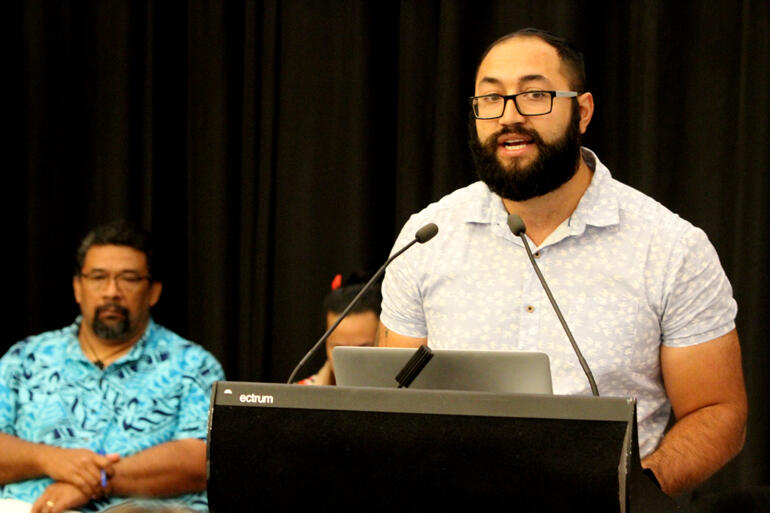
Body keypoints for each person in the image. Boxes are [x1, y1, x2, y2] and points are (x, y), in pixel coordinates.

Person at [378, 28, 747, 496]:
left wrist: (630, 493)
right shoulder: (427, 237)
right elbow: (387, 404)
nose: (509, 117)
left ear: (583, 111)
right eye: (490, 99)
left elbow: (718, 412)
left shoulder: (671, 248)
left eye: (535, 95)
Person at [0, 221, 225, 513]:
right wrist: (52, 459)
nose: (111, 292)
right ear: (78, 288)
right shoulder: (25, 358)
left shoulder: (193, 365)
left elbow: (201, 460)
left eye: (128, 278)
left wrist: (97, 480)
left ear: (153, 292)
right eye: (97, 277)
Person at [298, 272, 381, 386]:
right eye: (339, 350)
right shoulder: (300, 396)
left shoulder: (406, 397)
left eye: (363, 348)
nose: (351, 363)